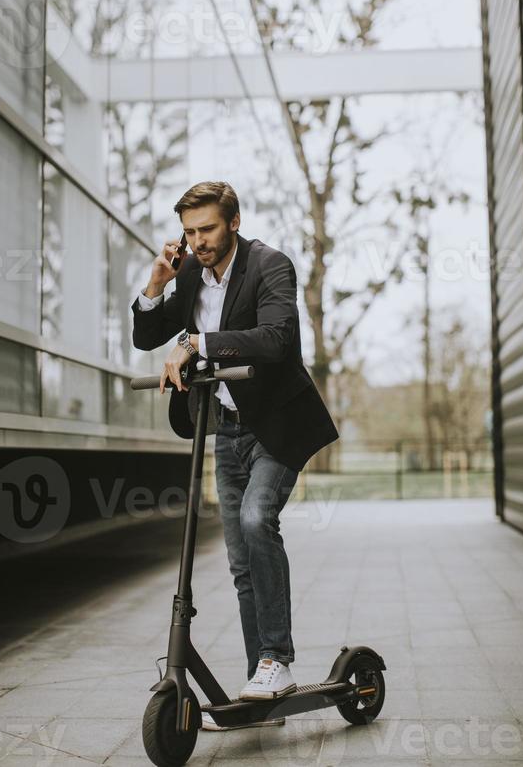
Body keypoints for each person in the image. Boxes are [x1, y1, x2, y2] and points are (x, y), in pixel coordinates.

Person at [130, 181, 339, 731]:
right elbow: (146, 336)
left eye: (208, 229)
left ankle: (278, 661)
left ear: (234, 222)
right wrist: (157, 284)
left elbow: (276, 338)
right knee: (241, 559)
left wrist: (199, 342)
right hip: (225, 428)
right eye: (190, 231)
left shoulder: (271, 266)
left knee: (255, 519)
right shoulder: (192, 273)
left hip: (278, 427)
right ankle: (259, 687)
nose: (198, 241)